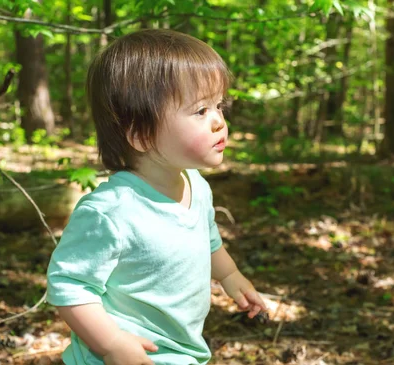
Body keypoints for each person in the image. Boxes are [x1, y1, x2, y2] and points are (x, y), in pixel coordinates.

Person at [46, 29, 267, 365]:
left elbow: (208, 242)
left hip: (181, 352)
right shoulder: (112, 212)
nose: (219, 122)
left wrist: (230, 276)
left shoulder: (196, 186)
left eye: (218, 106)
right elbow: (69, 285)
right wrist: (111, 344)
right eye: (200, 111)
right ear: (142, 134)